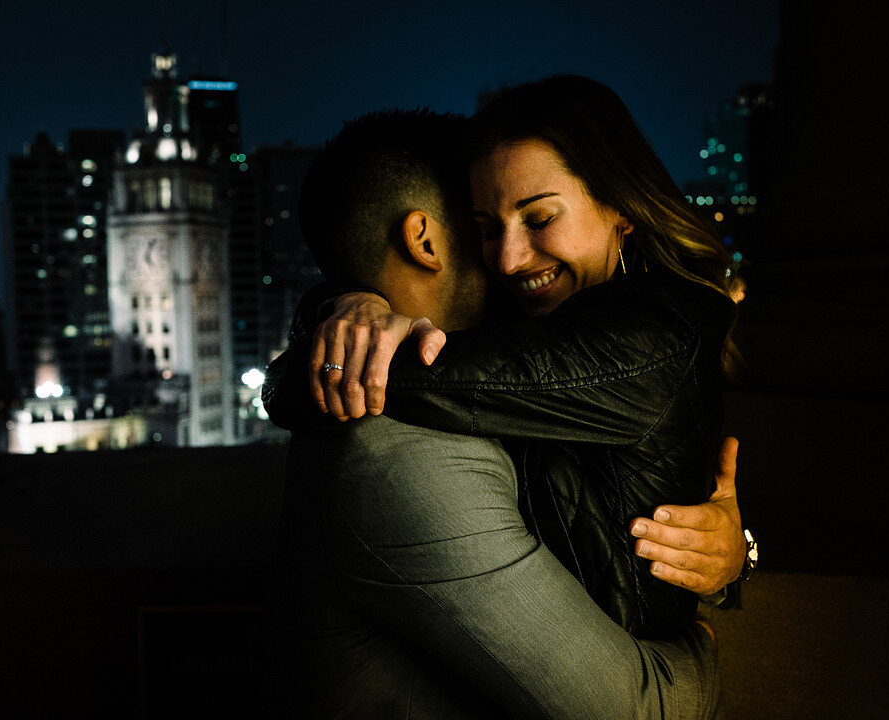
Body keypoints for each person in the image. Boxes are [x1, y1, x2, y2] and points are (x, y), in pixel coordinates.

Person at [265, 108, 739, 718]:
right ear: (425, 240)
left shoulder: (536, 378)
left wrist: (733, 552)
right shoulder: (399, 456)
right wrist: (697, 642)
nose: (509, 259)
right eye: (483, 225)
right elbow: (638, 709)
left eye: (537, 217)